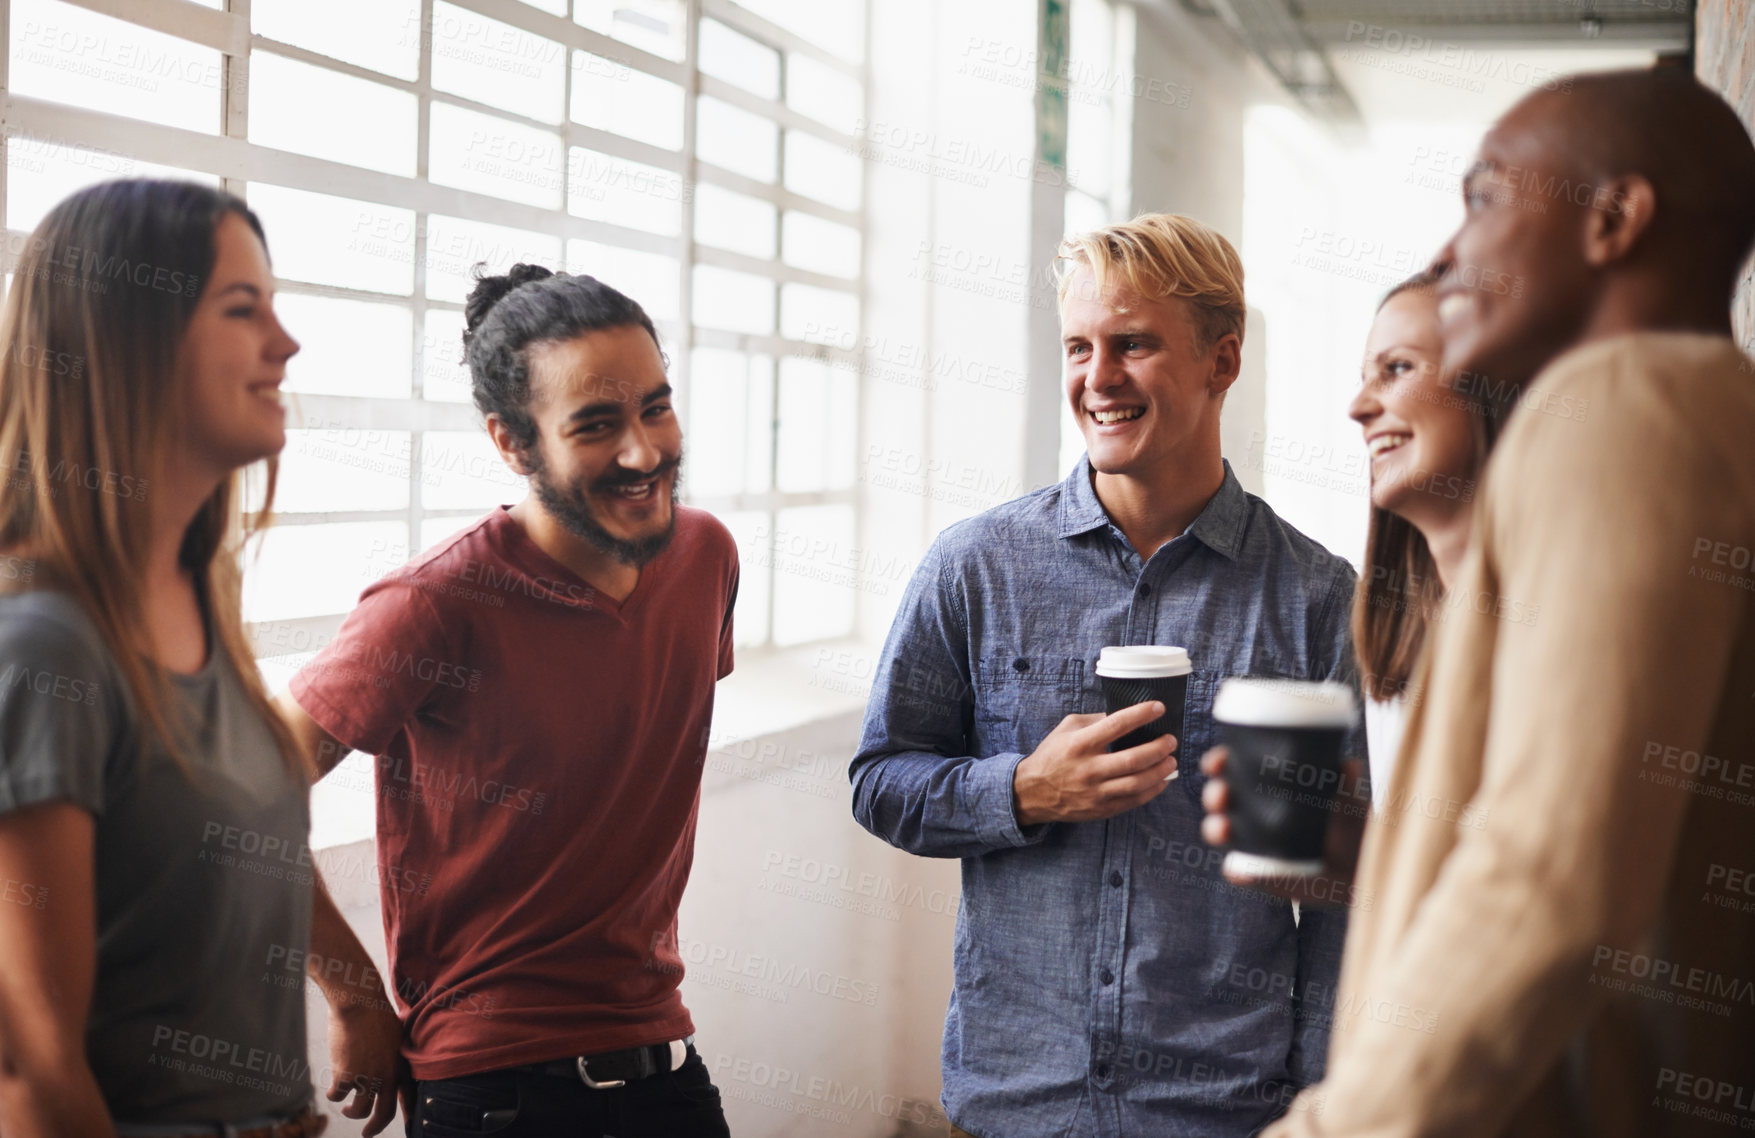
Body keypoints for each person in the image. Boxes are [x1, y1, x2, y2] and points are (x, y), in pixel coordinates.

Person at [1232, 68, 1755, 1137]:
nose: (1448, 253)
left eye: (1481, 200)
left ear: (1614, 219)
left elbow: (1552, 874)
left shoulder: (1618, 403)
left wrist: (1336, 1126)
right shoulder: (1712, 407)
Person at [850, 213, 1365, 1137]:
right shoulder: (976, 566)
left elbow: (1340, 889)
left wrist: (1319, 1096)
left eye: (1133, 344)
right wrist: (1022, 790)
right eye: (1079, 347)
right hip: (1015, 1101)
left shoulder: (1315, 597)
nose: (1098, 379)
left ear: (1222, 361)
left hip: (1223, 1111)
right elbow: (881, 783)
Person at [276, 263, 739, 1137]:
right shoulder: (431, 606)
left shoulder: (706, 559)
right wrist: (352, 996)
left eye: (655, 406)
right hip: (494, 1091)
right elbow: (235, 791)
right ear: (513, 443)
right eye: (597, 425)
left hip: (662, 1063)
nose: (643, 450)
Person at [0, 179, 393, 1137]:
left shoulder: (197, 601)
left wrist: (353, 993)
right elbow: (30, 1072)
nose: (286, 343)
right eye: (242, 308)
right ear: (127, 341)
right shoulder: (44, 648)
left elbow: (248, 841)